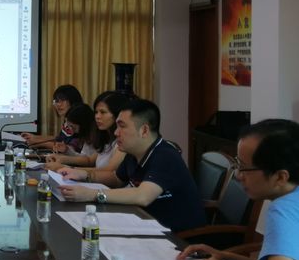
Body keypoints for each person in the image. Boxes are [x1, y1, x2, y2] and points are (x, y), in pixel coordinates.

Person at [178, 119, 299, 260]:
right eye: (237, 164)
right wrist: (225, 257)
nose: (238, 175)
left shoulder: (284, 210)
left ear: (280, 177)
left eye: (244, 167)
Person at [57, 98, 205, 232]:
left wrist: (91, 194)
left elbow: (142, 196)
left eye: (122, 126)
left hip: (179, 238)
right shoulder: (134, 152)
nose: (116, 132)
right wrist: (84, 175)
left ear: (144, 130)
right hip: (144, 222)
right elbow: (116, 178)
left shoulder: (165, 156)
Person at [45, 91, 127, 171]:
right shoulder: (106, 138)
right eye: (96, 112)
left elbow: (108, 172)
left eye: (103, 112)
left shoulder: (121, 142)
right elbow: (89, 160)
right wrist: (62, 159)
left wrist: (65, 168)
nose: (97, 116)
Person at [21, 84, 83, 149]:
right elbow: (59, 139)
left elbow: (69, 148)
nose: (58, 104)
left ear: (73, 100)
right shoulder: (67, 119)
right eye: (56, 101)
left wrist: (39, 143)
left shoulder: (78, 120)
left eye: (62, 100)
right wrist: (34, 137)